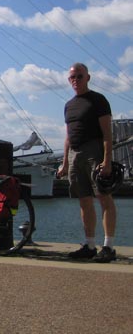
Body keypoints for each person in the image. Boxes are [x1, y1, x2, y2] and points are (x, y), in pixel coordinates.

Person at [57, 62, 117, 263]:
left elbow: (107, 133)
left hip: (94, 151)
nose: (76, 80)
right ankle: (90, 245)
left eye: (79, 76)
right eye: (72, 77)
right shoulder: (69, 105)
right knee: (84, 200)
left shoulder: (98, 100)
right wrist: (65, 163)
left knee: (104, 197)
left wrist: (107, 160)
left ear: (88, 78)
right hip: (74, 154)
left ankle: (108, 247)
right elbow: (68, 136)